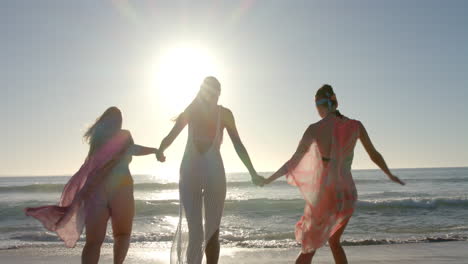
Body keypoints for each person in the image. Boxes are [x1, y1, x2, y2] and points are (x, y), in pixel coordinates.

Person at [262, 85, 404, 264]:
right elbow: (373, 154)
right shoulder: (355, 125)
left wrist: (268, 179)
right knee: (335, 242)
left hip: (327, 194)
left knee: (309, 248)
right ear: (335, 102)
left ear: (319, 105)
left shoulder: (314, 129)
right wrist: (389, 174)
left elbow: (293, 162)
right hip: (347, 193)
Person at [26, 106, 160, 264]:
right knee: (122, 235)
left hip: (96, 192)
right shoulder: (124, 135)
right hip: (121, 188)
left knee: (93, 242)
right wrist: (155, 151)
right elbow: (134, 149)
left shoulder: (97, 140)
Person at [156, 76, 264, 264]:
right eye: (209, 91)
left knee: (213, 231)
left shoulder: (225, 114)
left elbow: (238, 144)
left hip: (215, 174)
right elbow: (171, 135)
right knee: (195, 231)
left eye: (216, 92)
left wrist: (252, 172)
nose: (213, 95)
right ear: (202, 92)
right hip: (189, 174)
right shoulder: (191, 111)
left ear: (219, 94)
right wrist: (161, 150)